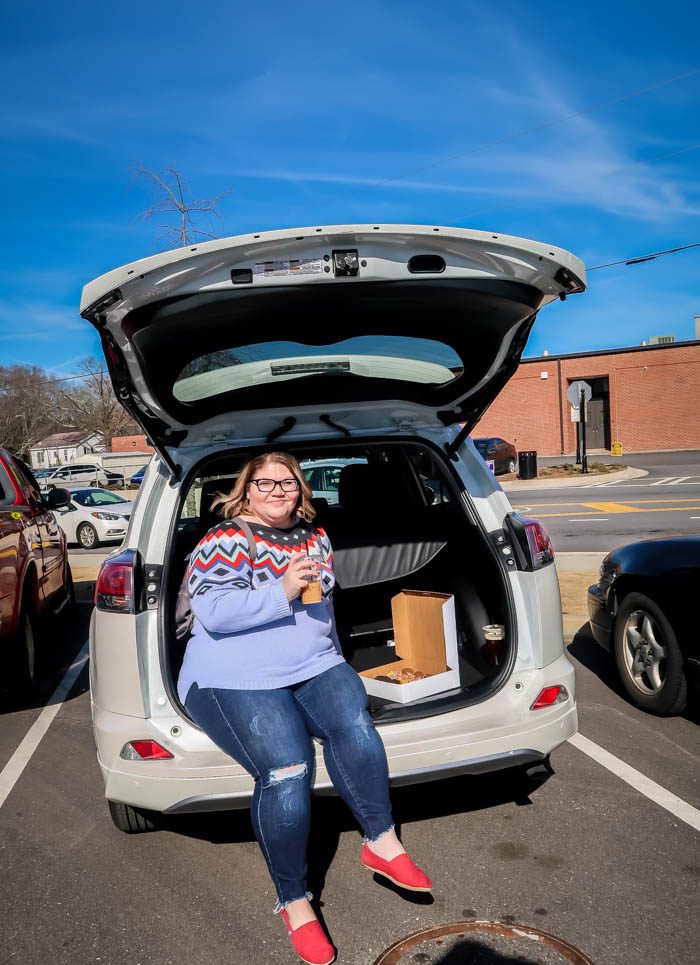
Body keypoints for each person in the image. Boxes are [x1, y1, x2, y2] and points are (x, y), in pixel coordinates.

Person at [177, 451, 432, 965]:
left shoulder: (316, 537)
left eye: (287, 482)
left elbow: (323, 611)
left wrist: (336, 660)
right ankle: (295, 901)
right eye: (264, 483)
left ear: (302, 489)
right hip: (233, 675)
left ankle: (380, 842)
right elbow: (216, 612)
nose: (276, 491)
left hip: (314, 664)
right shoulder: (227, 538)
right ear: (246, 490)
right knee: (288, 768)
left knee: (356, 727)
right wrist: (281, 589)